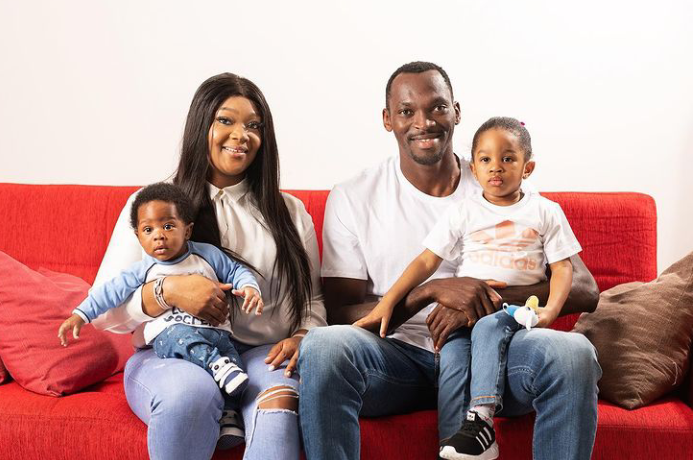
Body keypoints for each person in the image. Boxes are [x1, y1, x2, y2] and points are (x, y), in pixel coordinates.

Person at [298, 62, 602, 460]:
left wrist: (481, 303)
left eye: (437, 107)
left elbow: (583, 288)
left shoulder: (497, 178)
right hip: (398, 360)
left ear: (456, 112)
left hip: (495, 356)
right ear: (388, 120)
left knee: (574, 353)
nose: (424, 122)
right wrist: (432, 293)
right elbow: (341, 312)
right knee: (323, 346)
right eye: (407, 111)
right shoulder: (354, 196)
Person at [88, 73, 326, 460]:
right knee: (190, 395)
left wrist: (302, 336)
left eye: (253, 125)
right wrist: (165, 293)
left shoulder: (291, 213)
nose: (241, 135)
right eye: (225, 120)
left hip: (261, 356)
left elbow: (312, 301)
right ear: (202, 126)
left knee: (281, 401)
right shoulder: (154, 208)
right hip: (171, 352)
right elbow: (105, 314)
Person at [355, 116, 582, 460]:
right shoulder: (465, 211)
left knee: (490, 325)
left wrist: (549, 310)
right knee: (452, 359)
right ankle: (456, 445)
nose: (496, 168)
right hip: (463, 320)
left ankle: (482, 421)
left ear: (528, 167)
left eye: (508, 159)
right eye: (486, 160)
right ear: (474, 169)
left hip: (514, 315)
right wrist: (388, 302)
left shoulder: (544, 211)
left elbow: (563, 269)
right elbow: (425, 262)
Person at [58, 182, 264, 404]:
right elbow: (109, 292)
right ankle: (214, 363)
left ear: (187, 230)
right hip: (171, 335)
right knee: (179, 338)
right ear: (139, 237)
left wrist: (250, 288)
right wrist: (81, 314)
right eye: (148, 230)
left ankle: (229, 416)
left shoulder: (207, 254)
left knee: (235, 367)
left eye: (168, 226)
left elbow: (235, 270)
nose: (159, 236)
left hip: (216, 332)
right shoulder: (143, 269)